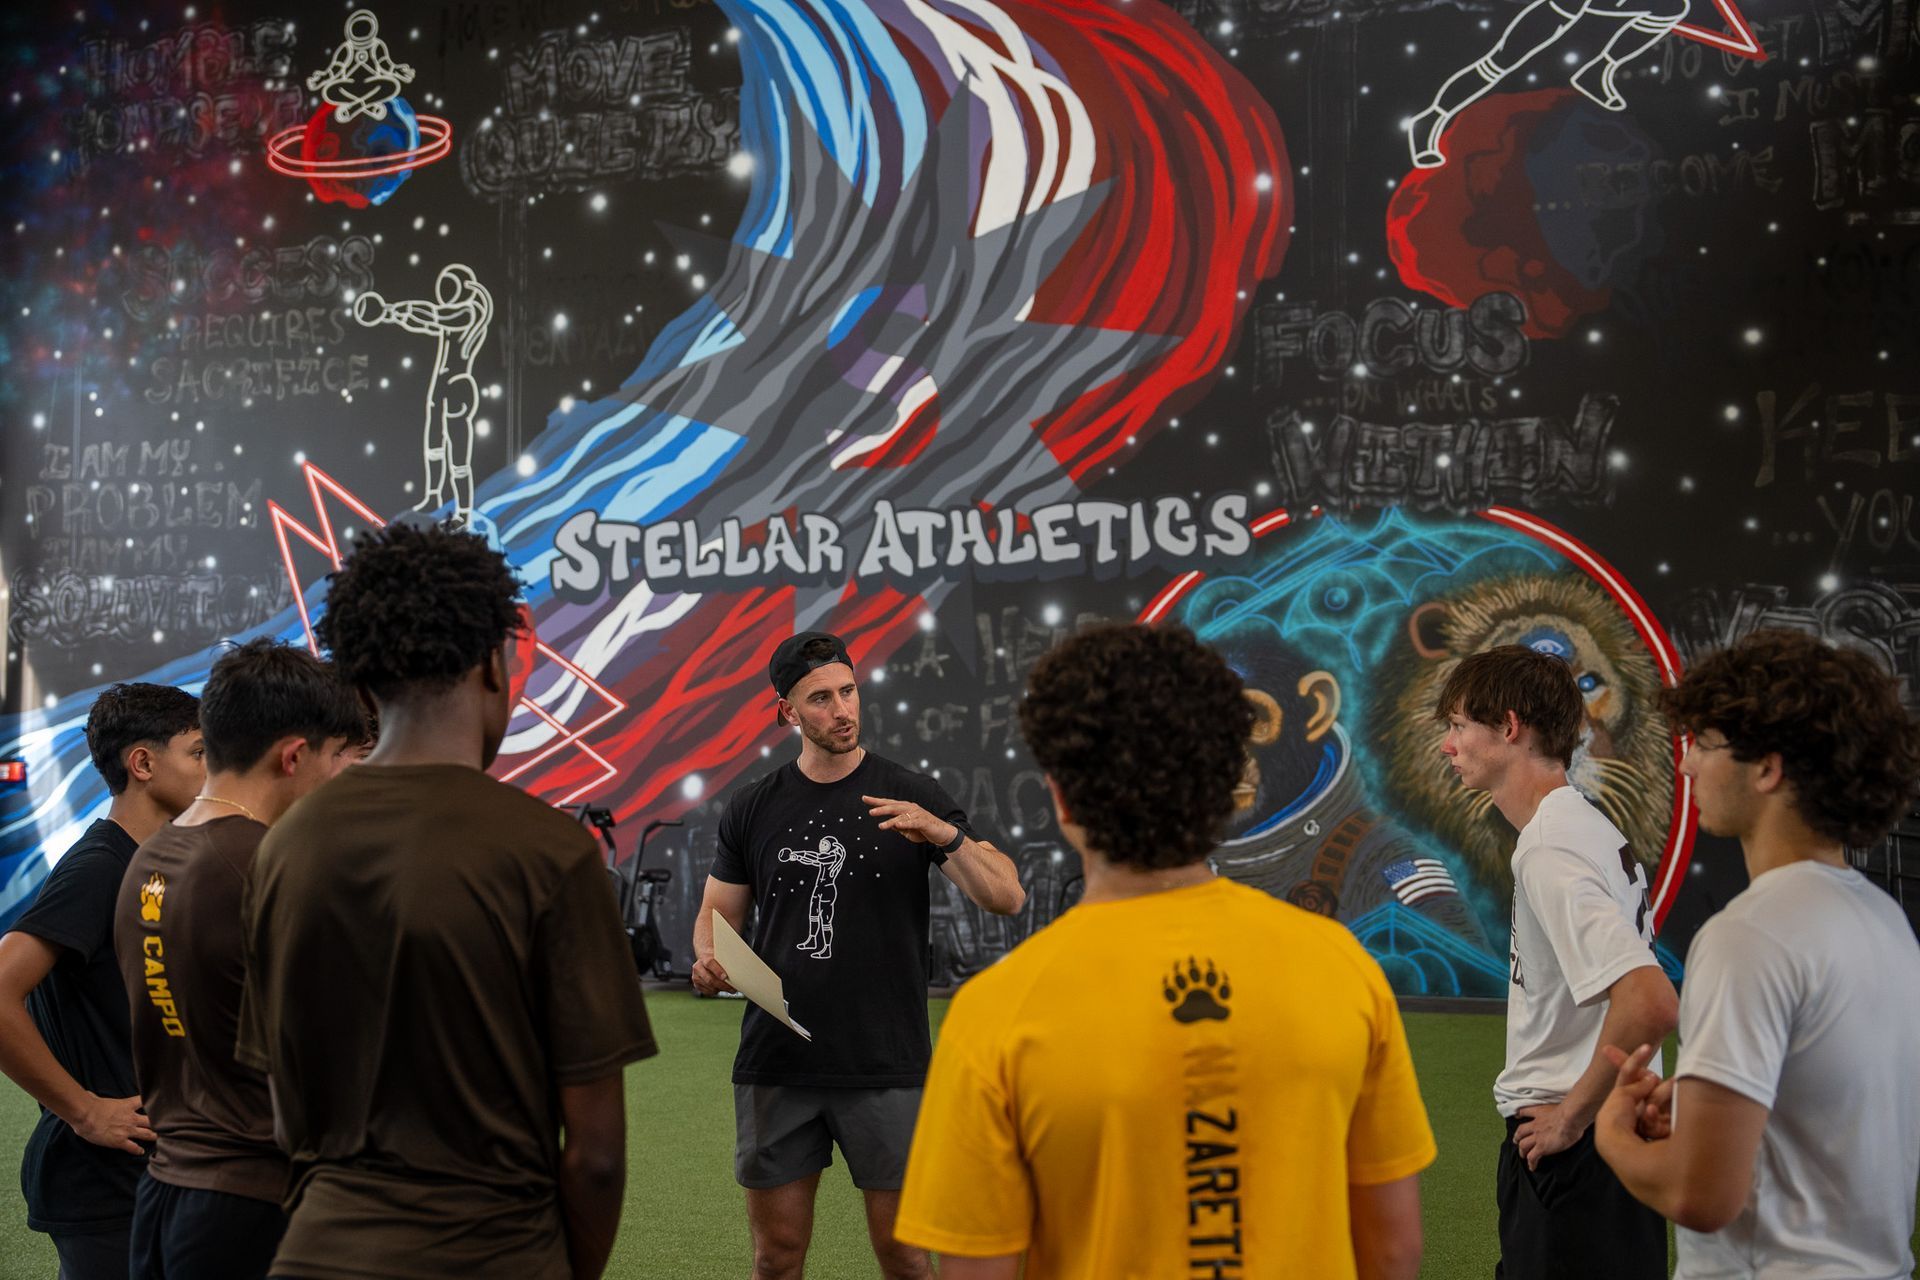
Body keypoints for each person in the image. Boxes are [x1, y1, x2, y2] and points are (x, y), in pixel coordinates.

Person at [892, 623, 1433, 1279]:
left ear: (1061, 798)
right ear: (1219, 780)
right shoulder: (1341, 966)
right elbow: (1394, 1250)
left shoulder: (996, 1015)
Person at [235, 520, 656, 1280]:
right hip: (496, 1256)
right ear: (495, 666)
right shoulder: (552, 853)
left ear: (359, 683)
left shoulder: (285, 848)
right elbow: (595, 1155)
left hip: (315, 1254)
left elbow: (283, 1106)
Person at [690, 630, 1026, 1280]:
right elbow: (714, 919)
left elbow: (1007, 895)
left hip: (887, 1061)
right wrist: (708, 958)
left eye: (848, 691)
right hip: (777, 1061)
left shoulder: (908, 792)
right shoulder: (754, 807)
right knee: (775, 1258)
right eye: (820, 699)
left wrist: (943, 833)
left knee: (904, 1257)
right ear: (786, 711)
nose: (842, 710)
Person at [1596, 629, 1920, 1277]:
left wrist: (1612, 1134)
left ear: (1768, 768)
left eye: (1705, 745)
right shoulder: (1887, 925)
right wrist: (1696, 1116)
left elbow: (1701, 1195)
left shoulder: (1747, 936)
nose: (1686, 766)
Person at [113, 640, 363, 1280]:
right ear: (295, 755)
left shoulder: (151, 855)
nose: (344, 774)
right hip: (253, 1203)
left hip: (166, 1193)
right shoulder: (267, 864)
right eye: (339, 755)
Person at [1433, 644, 1677, 1280]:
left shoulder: (1550, 847)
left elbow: (1649, 1002)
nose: (1447, 745)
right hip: (1605, 1141)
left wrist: (1573, 1117)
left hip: (1575, 1150)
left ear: (1509, 727)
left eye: (1459, 726)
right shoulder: (1579, 826)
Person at [0, 682, 202, 1279]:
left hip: (153, 1176)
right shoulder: (99, 867)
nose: (214, 769)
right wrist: (85, 1110)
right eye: (198, 752)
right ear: (142, 763)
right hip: (103, 1187)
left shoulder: (153, 866)